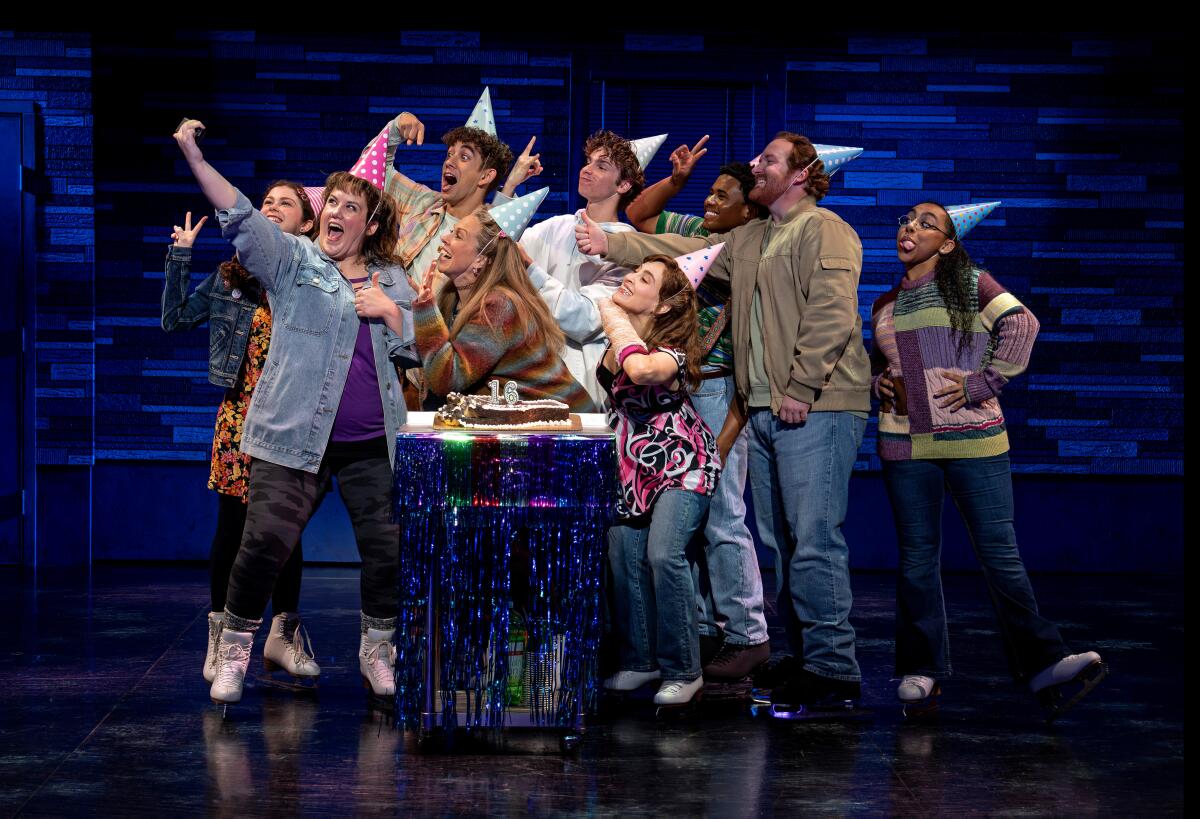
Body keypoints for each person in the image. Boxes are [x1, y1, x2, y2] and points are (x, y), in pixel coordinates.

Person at [578, 132, 871, 716]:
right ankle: (807, 655)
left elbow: (832, 313)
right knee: (781, 541)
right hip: (766, 401)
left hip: (819, 401)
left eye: (769, 160)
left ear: (799, 175)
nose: (757, 165)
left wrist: (801, 386)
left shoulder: (824, 228)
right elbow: (675, 253)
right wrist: (614, 243)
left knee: (813, 539)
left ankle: (834, 667)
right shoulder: (752, 235)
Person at [173, 118, 419, 706]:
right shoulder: (292, 263)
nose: (333, 211)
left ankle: (376, 654)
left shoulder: (393, 279)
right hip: (291, 438)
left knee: (388, 550)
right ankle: (233, 654)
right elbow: (238, 213)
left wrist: (394, 313)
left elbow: (422, 354)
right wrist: (192, 154)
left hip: (370, 444)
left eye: (348, 205)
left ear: (372, 222)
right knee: (261, 546)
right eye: (328, 202)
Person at [872, 200, 1107, 720]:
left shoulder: (973, 283)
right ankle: (921, 669)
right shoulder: (885, 302)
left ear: (949, 243)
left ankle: (1044, 662)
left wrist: (985, 381)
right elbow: (884, 364)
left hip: (976, 440)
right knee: (915, 561)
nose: (910, 227)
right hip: (906, 444)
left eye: (926, 224)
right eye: (906, 221)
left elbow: (1023, 326)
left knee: (1000, 555)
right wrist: (879, 383)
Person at [161, 183, 322, 686]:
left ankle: (282, 637)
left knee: (285, 533)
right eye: (266, 201)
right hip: (239, 423)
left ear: (307, 226)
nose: (271, 208)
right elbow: (174, 320)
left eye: (285, 204)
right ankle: (219, 638)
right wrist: (179, 256)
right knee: (233, 531)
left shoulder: (315, 282)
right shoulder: (232, 279)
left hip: (291, 423)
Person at [625, 140, 772, 678]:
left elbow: (748, 361)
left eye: (722, 196)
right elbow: (638, 215)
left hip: (717, 388)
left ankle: (748, 631)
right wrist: (679, 182)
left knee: (724, 513)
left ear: (748, 210)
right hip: (678, 388)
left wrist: (730, 427)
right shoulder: (693, 233)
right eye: (709, 193)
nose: (711, 201)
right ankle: (707, 628)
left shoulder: (747, 257)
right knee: (687, 518)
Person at [599, 254, 721, 708]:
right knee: (622, 557)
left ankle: (684, 670)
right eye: (632, 271)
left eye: (644, 278)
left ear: (664, 305)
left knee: (663, 554)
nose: (629, 278)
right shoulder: (620, 340)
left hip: (683, 464)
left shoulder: (672, 352)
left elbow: (641, 371)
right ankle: (640, 659)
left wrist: (612, 315)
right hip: (633, 469)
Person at [412, 206, 592, 411]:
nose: (445, 237)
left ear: (480, 259)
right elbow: (435, 356)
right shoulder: (452, 298)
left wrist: (425, 311)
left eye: (458, 236)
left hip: (564, 426)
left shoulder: (499, 306)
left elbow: (446, 379)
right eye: (452, 231)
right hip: (524, 424)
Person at [518, 130, 651, 406]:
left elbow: (585, 319)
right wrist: (511, 185)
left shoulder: (627, 250)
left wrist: (529, 268)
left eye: (601, 166)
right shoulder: (557, 226)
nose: (586, 170)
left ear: (623, 185)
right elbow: (498, 247)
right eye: (589, 161)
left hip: (580, 383)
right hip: (530, 373)